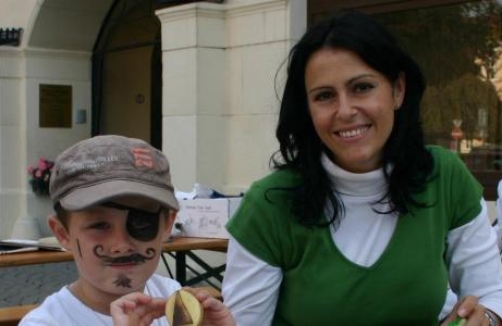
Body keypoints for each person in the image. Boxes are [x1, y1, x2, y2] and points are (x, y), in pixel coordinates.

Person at [221, 9, 502, 326]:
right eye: (325, 96)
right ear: (307, 109)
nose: (345, 111)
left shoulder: (444, 176)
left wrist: (487, 318)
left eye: (362, 87)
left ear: (397, 90)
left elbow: (492, 292)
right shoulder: (269, 203)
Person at [19, 135, 235, 326]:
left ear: (167, 224)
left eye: (141, 223)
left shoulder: (171, 297)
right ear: (63, 233)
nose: (121, 244)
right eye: (99, 225)